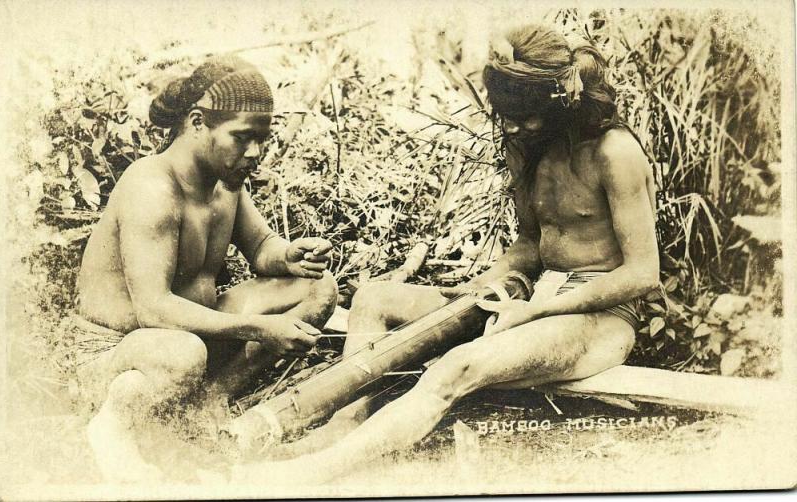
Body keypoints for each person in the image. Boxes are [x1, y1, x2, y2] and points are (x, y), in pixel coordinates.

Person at [235, 23, 659, 481]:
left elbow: (642, 274)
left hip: (602, 316)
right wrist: (480, 287)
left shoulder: (615, 152)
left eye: (525, 115)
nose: (513, 126)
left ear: (560, 102)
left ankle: (308, 475)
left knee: (458, 365)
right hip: (537, 300)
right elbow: (532, 244)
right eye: (506, 115)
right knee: (374, 298)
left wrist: (537, 312)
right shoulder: (527, 145)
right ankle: (347, 423)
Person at [73, 56, 338, 482]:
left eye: (261, 140)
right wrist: (259, 328)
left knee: (316, 289)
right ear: (198, 123)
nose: (254, 153)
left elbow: (261, 246)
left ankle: (205, 403)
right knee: (182, 352)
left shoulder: (224, 181)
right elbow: (153, 311)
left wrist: (289, 256)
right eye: (242, 138)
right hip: (120, 355)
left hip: (189, 339)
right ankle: (111, 427)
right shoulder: (152, 188)